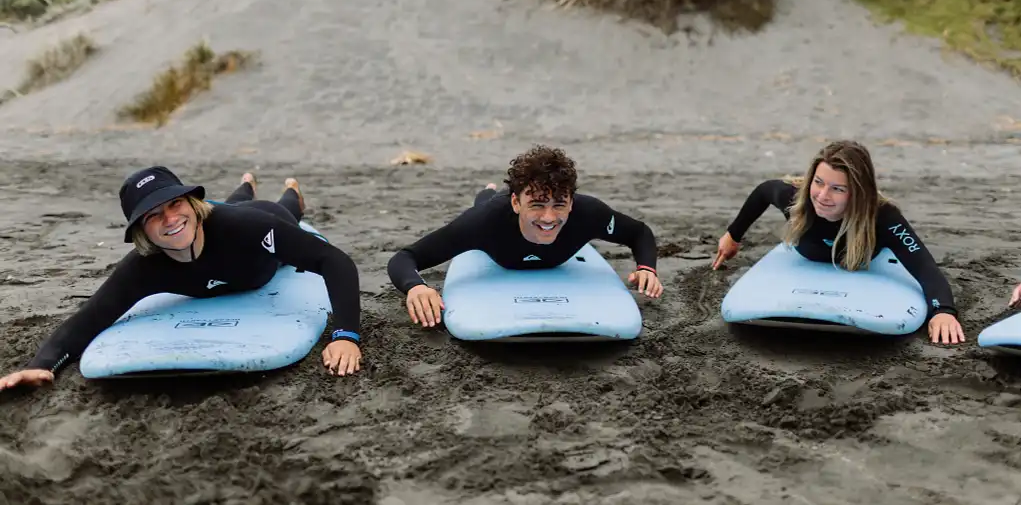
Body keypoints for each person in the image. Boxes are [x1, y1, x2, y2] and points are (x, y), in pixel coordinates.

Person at [0, 166, 363, 392]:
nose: (170, 218)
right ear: (141, 231)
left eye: (176, 204)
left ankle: (290, 191)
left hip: (261, 230)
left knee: (283, 209)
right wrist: (40, 366)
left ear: (191, 203)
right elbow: (90, 317)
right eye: (154, 215)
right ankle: (246, 183)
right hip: (222, 216)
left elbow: (334, 261)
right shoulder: (144, 267)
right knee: (233, 202)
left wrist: (346, 335)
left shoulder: (249, 230)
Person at [711, 140, 964, 344]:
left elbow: (924, 267)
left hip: (859, 262)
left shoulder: (883, 218)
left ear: (858, 193)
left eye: (838, 189)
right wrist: (733, 236)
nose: (822, 196)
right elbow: (763, 191)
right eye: (818, 182)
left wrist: (943, 310)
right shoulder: (795, 199)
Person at [387, 145, 664, 327]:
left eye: (559, 204)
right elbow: (405, 257)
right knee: (483, 203)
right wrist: (417, 287)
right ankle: (487, 192)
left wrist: (646, 267)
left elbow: (639, 232)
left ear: (571, 201)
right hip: (491, 212)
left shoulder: (589, 213)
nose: (548, 217)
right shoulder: (482, 225)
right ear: (517, 203)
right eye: (537, 204)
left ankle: (492, 192)